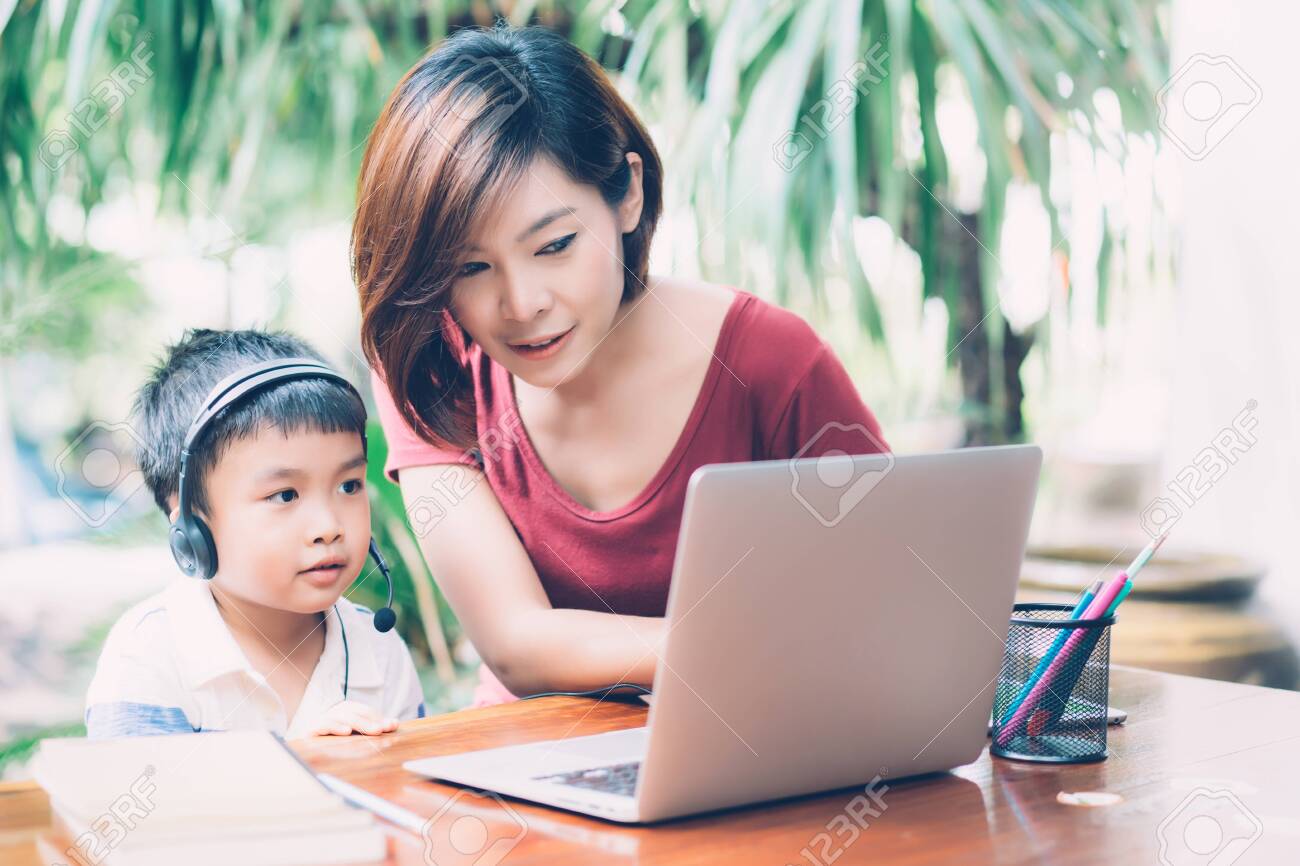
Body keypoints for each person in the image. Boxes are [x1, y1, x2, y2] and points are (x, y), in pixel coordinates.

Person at [352, 23, 889, 707]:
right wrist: (767, 645)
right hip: (526, 775)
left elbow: (892, 600)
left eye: (555, 245)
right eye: (470, 266)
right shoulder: (429, 366)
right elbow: (517, 645)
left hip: (755, 763)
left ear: (627, 193)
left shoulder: (772, 361)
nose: (522, 305)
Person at [84, 329, 425, 738]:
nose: (329, 527)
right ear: (191, 526)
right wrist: (299, 765)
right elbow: (146, 801)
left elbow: (410, 795)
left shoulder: (379, 649)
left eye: (348, 486)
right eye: (285, 495)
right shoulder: (149, 656)